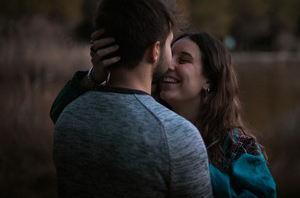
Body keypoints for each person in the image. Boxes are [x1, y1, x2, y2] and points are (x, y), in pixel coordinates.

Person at [51, 31, 276, 197]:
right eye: (168, 58)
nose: (169, 66)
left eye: (184, 60)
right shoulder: (145, 122)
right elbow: (61, 114)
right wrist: (95, 75)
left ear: (209, 79)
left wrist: (185, 158)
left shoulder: (238, 147)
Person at [52, 0, 213, 198]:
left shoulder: (69, 116)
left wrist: (94, 76)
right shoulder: (176, 136)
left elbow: (58, 111)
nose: (172, 59)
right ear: (155, 51)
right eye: (169, 44)